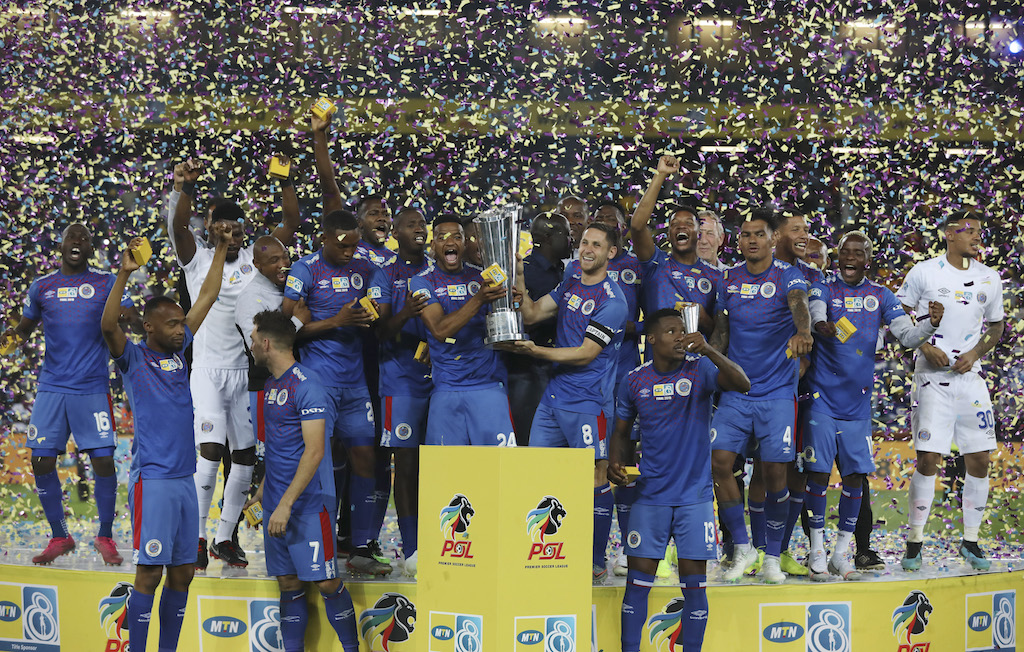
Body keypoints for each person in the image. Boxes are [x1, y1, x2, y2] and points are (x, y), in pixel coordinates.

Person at [100, 228, 231, 652]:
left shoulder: (178, 353)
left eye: (181, 323)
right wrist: (124, 273)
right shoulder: (134, 358)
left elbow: (208, 296)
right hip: (153, 481)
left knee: (183, 574)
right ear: (149, 326)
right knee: (149, 574)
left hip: (184, 482)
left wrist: (222, 248)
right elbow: (107, 325)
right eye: (172, 324)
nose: (180, 329)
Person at [171, 158, 302, 569]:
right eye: (223, 229)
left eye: (238, 230)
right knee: (210, 452)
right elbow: (179, 226)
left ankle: (224, 538)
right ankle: (194, 538)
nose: (231, 235)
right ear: (211, 229)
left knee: (245, 459)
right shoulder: (196, 259)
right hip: (206, 370)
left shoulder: (253, 259)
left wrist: (286, 182)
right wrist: (184, 188)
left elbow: (290, 224)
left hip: (242, 375)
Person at [805, 231, 943, 580]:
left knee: (854, 477)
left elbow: (908, 337)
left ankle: (840, 554)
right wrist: (820, 324)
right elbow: (817, 311)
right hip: (821, 400)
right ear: (838, 257)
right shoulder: (824, 286)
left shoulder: (881, 295)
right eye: (845, 252)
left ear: (868, 260)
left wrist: (930, 323)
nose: (850, 258)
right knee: (818, 474)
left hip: (856, 407)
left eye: (858, 253)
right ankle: (816, 549)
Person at [610, 309, 750, 652]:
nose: (679, 336)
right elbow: (621, 431)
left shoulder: (699, 369)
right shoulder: (634, 380)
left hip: (694, 500)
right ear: (652, 339)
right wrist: (616, 461)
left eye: (682, 330)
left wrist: (710, 350)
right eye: (671, 331)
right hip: (650, 498)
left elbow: (742, 383)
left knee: (695, 589)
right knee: (636, 587)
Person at [2, 223, 137, 565]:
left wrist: (142, 318)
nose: (77, 241)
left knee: (103, 460)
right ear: (61, 247)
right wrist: (8, 341)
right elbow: (23, 330)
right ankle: (60, 536)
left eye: (84, 238)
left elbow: (131, 317)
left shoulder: (106, 282)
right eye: (71, 237)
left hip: (92, 386)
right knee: (40, 459)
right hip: (52, 386)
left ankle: (104, 535)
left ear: (91, 249)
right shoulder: (42, 286)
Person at [507, 221, 628, 582]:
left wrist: (536, 351)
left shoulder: (613, 301)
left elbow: (586, 353)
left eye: (596, 245)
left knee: (595, 478)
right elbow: (532, 313)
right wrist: (519, 276)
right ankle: (543, 552)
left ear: (611, 253)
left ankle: (594, 560)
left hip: (589, 404)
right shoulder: (572, 278)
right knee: (540, 475)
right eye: (584, 242)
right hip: (554, 399)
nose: (587, 249)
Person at [281, 209, 391, 575]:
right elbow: (286, 331)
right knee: (318, 463)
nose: (349, 253)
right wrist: (337, 321)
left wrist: (374, 314)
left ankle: (360, 546)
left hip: (356, 384)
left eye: (354, 246)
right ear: (324, 239)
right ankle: (318, 542)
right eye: (342, 246)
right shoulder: (305, 270)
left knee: (366, 460)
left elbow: (381, 313)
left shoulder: (367, 269)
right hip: (317, 386)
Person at [244, 310, 360, 652]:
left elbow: (314, 451)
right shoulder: (270, 386)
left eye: (253, 339)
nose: (251, 345)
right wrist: (262, 492)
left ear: (266, 343)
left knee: (325, 582)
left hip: (308, 504)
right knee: (288, 582)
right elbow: (278, 449)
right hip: (277, 502)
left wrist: (285, 504)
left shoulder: (308, 385)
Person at [709, 208, 813, 584]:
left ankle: (771, 555)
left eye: (759, 234)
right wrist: (706, 364)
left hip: (778, 393)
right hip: (738, 393)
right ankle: (743, 547)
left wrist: (804, 332)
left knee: (774, 474)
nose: (751, 240)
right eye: (745, 234)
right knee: (719, 462)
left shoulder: (788, 275)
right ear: (738, 241)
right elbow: (721, 333)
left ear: (773, 239)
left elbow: (799, 304)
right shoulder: (728, 279)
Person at [896, 211, 1005, 571]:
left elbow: (996, 325)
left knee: (980, 459)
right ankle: (914, 542)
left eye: (979, 232)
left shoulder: (989, 277)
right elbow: (897, 313)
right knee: (928, 459)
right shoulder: (924, 272)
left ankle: (970, 541)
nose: (976, 237)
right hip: (931, 379)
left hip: (970, 379)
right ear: (949, 234)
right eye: (969, 231)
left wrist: (975, 353)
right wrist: (924, 345)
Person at [408, 215, 515, 446]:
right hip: (446, 389)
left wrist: (512, 300)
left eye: (457, 237)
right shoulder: (421, 282)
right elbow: (439, 330)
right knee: (445, 467)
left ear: (465, 243)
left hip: (488, 386)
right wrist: (479, 299)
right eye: (442, 237)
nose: (450, 242)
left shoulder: (483, 277)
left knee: (498, 465)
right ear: (433, 245)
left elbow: (505, 320)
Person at [369, 207, 432, 576]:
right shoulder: (384, 274)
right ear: (395, 232)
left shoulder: (437, 270)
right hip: (400, 384)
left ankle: (441, 543)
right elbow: (378, 332)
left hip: (440, 383)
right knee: (405, 466)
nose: (419, 229)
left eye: (422, 223)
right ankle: (412, 549)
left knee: (437, 465)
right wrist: (406, 311)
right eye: (411, 224)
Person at [583, 201, 644, 576]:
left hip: (625, 375)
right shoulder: (578, 270)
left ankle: (628, 547)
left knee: (624, 461)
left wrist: (625, 325)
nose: (605, 224)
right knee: (593, 465)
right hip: (587, 380)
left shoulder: (637, 267)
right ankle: (591, 550)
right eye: (598, 220)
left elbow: (653, 317)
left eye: (612, 220)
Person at [630, 156, 720, 334]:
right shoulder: (656, 264)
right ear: (668, 235)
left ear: (698, 234)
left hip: (698, 353)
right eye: (674, 224)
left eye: (689, 223)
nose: (681, 226)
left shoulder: (716, 276)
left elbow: (722, 334)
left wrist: (704, 320)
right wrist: (660, 175)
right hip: (658, 352)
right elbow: (637, 226)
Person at [506, 212, 572, 442]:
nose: (571, 240)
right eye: (566, 234)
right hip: (528, 370)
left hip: (560, 367)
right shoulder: (523, 272)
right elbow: (523, 319)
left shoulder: (567, 272)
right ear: (547, 237)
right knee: (529, 440)